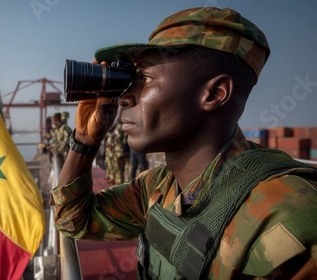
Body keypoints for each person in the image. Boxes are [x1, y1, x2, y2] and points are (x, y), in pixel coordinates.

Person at [51, 7, 317, 279]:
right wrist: (85, 141)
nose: (124, 98)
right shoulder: (158, 185)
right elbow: (72, 219)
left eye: (144, 79)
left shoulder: (287, 216)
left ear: (214, 93)